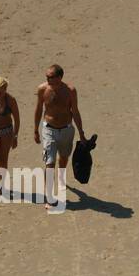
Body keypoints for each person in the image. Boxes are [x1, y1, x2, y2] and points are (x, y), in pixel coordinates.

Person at [33, 64, 85, 210]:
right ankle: (49, 197)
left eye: (51, 77)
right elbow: (38, 110)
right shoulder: (42, 89)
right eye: (46, 77)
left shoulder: (70, 91)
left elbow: (75, 111)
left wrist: (81, 132)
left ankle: (61, 179)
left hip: (67, 129)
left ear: (60, 77)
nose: (47, 79)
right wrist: (35, 130)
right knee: (49, 163)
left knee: (63, 158)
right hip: (48, 129)